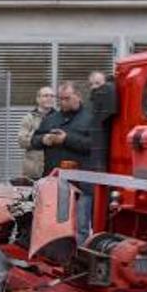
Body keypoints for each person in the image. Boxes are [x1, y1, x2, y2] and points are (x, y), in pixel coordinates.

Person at [31, 81, 95, 243]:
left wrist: (66, 139)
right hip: (55, 182)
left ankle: (78, 259)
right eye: (60, 99)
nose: (62, 102)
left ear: (78, 97)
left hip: (82, 184)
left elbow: (93, 146)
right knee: (53, 226)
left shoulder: (91, 118)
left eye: (66, 98)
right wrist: (45, 139)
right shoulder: (51, 119)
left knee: (80, 227)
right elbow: (34, 140)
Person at [16, 85, 56, 182]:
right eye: (45, 96)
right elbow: (21, 141)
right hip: (32, 171)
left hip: (53, 170)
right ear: (38, 99)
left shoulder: (59, 118)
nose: (49, 98)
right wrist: (42, 139)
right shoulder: (29, 118)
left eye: (52, 96)